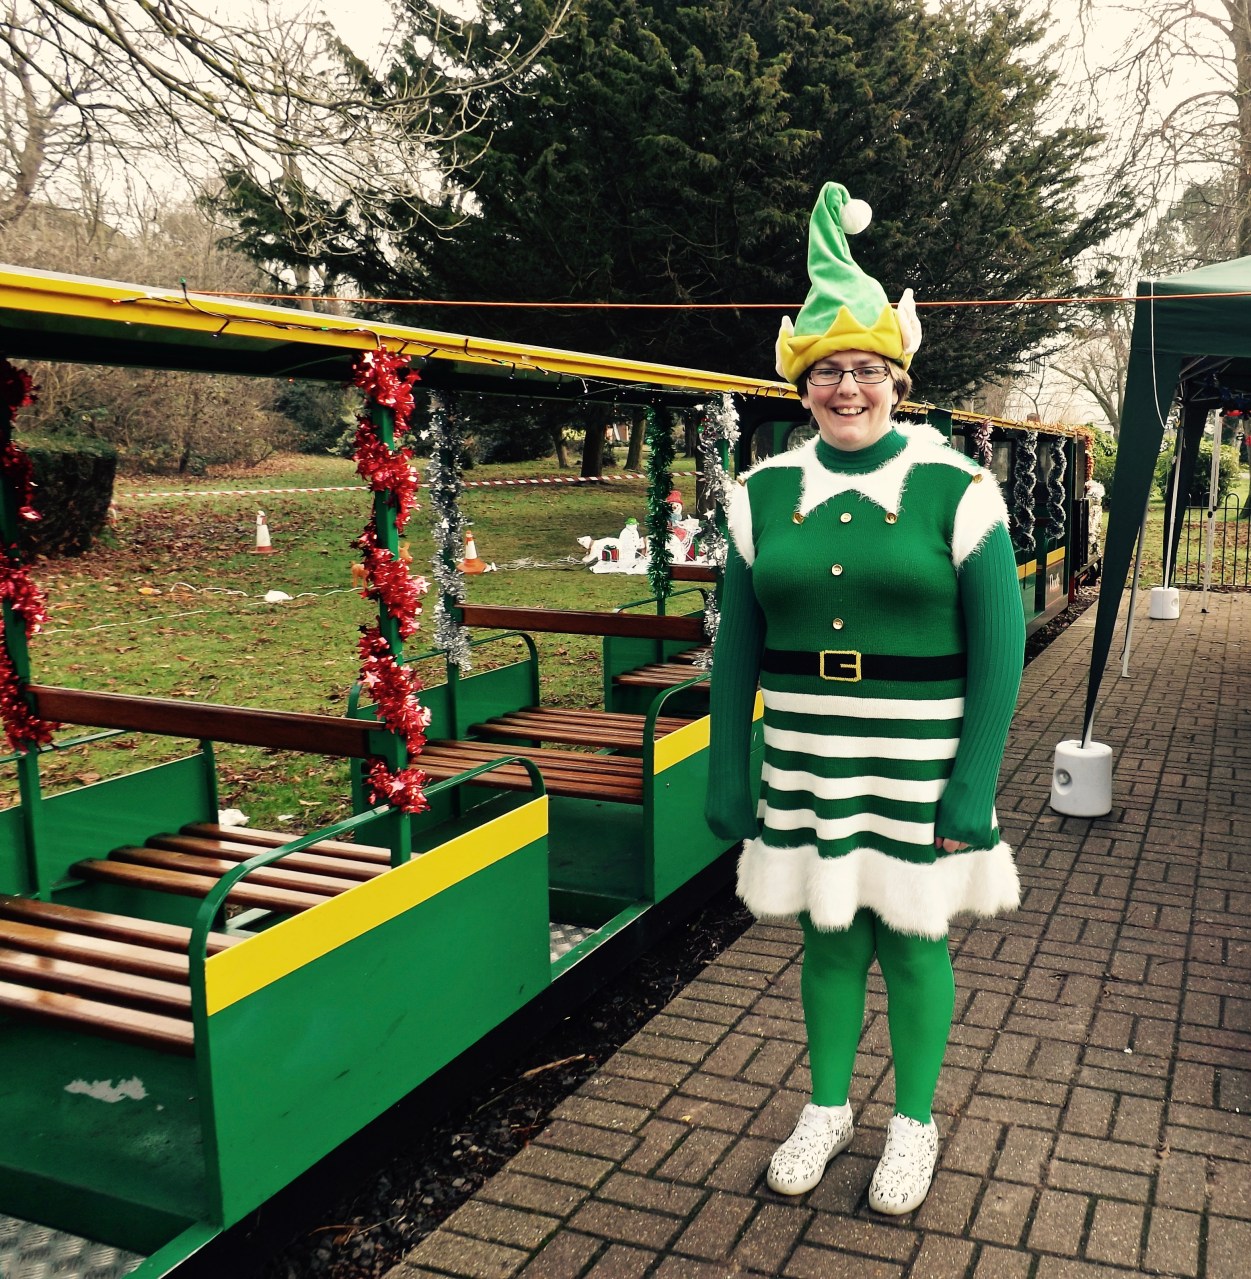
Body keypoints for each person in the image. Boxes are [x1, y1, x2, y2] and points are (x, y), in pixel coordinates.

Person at [705, 182, 1025, 1215]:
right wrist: (727, 769)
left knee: (913, 937)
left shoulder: (956, 489)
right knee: (828, 936)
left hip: (917, 760)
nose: (848, 388)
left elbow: (1001, 652)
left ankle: (914, 1122)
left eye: (866, 370)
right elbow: (735, 649)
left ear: (897, 379)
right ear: (800, 384)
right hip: (809, 755)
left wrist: (973, 785)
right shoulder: (759, 495)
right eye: (827, 371)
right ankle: (828, 1106)